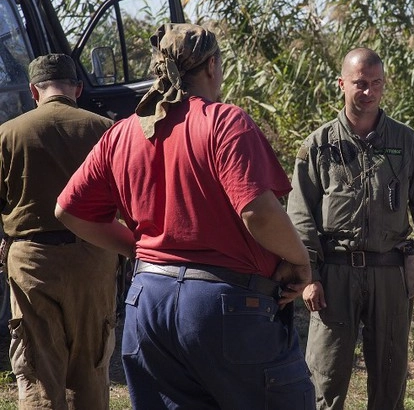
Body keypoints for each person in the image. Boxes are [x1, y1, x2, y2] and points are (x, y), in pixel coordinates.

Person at [54, 23, 315, 409]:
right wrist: (300, 260)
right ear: (211, 66)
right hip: (225, 304)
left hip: (148, 303)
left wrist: (141, 250)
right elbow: (257, 213)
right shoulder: (224, 122)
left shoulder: (122, 134)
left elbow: (68, 211)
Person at [287, 47, 414, 410]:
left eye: (376, 83)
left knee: (390, 379)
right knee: (324, 379)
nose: (368, 91)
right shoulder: (318, 145)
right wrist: (309, 276)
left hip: (390, 275)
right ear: (342, 84)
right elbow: (300, 215)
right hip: (335, 277)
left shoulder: (405, 141)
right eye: (360, 83)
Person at [0, 53, 118, 409]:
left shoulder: (8, 133)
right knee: (91, 365)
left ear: (34, 91)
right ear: (77, 89)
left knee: (39, 369)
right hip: (93, 258)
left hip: (31, 263)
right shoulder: (107, 130)